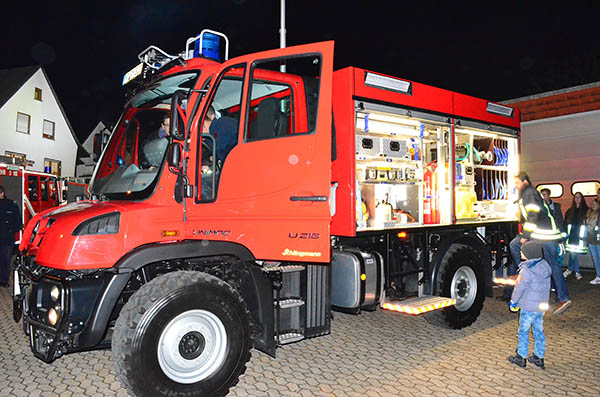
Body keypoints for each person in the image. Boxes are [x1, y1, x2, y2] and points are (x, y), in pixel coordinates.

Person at [506, 172, 571, 316]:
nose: (516, 186)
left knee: (515, 245)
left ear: (525, 182)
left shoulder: (529, 193)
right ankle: (563, 298)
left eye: (517, 183)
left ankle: (521, 274)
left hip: (544, 235)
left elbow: (533, 215)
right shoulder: (528, 194)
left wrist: (525, 235)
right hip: (544, 234)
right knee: (553, 265)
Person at [507, 241, 551, 369]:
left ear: (530, 254)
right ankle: (539, 356)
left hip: (528, 307)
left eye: (522, 251)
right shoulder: (545, 266)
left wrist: (513, 302)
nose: (520, 252)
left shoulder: (526, 271)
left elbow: (519, 288)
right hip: (540, 307)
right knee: (538, 331)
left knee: (523, 332)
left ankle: (521, 356)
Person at [563, 192, 588, 280]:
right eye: (576, 197)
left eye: (579, 197)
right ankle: (575, 271)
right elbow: (565, 224)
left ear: (582, 199)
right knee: (574, 253)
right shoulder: (570, 211)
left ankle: (570, 270)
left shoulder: (586, 211)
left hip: (580, 237)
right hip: (571, 236)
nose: (577, 199)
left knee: (574, 254)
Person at [0, 185, 22, 288]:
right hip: (6, 237)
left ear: (2, 193)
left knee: (5, 260)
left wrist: (10, 231)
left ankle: (4, 281)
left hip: (6, 239)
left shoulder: (11, 205)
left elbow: (18, 222)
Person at [585, 198, 600, 285]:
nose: (593, 205)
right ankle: (598, 276)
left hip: (598, 239)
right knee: (595, 259)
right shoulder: (588, 213)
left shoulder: (598, 214)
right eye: (592, 204)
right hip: (591, 239)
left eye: (595, 204)